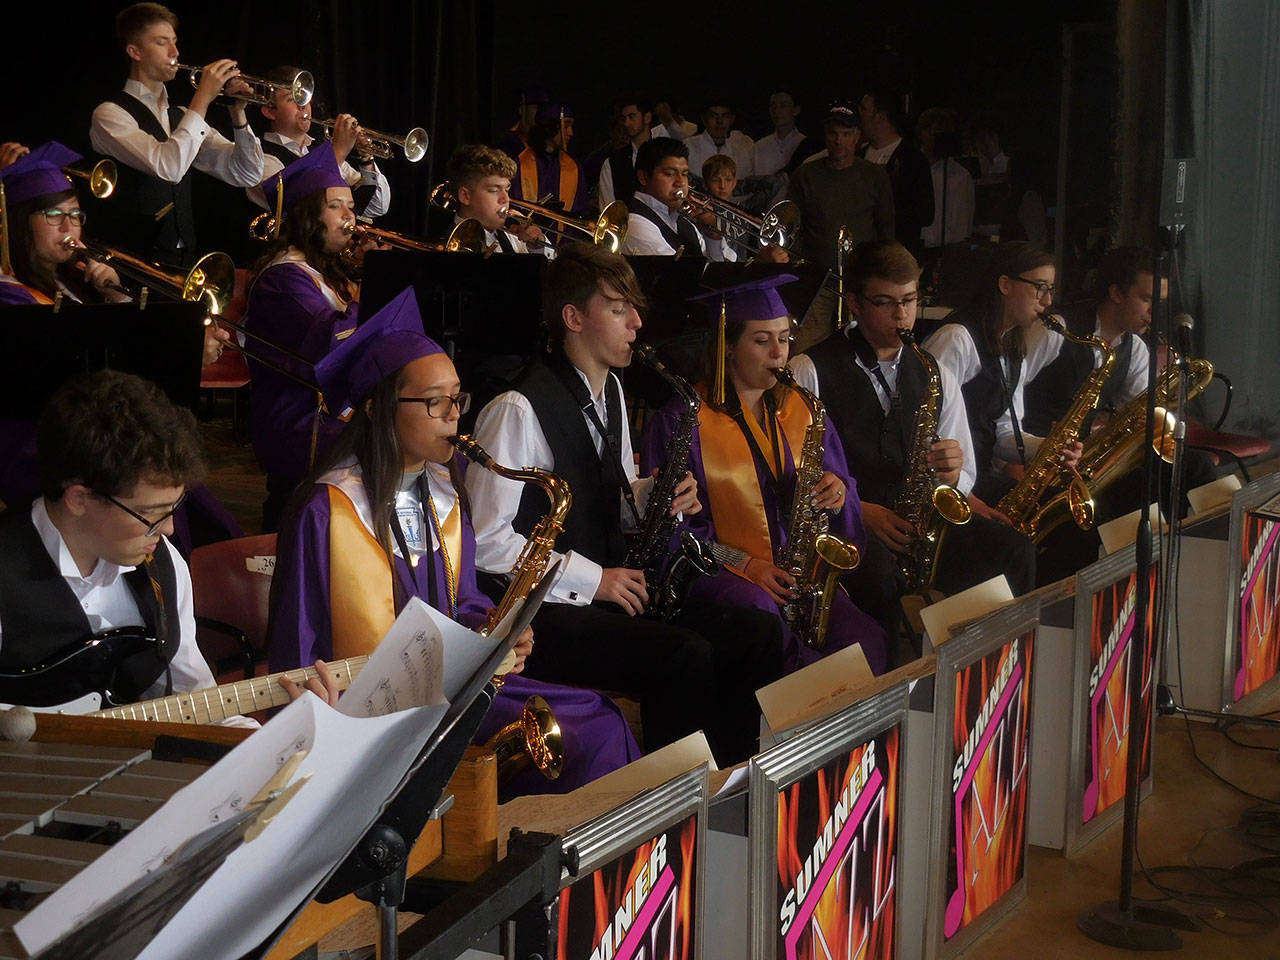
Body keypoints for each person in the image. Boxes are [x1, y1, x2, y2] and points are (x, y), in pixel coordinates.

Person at [268, 288, 638, 794]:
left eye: (457, 398)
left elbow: (464, 602)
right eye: (434, 401)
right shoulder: (327, 509)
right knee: (591, 733)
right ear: (377, 408)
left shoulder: (444, 492)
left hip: (451, 687)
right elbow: (300, 640)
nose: (453, 415)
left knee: (598, 717)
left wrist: (499, 634)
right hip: (368, 710)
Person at [467, 243, 784, 765]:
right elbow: (484, 542)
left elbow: (613, 498)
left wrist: (658, 495)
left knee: (757, 631)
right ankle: (672, 796)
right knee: (683, 655)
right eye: (618, 309)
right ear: (573, 318)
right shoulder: (515, 409)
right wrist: (594, 579)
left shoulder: (612, 388)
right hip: (539, 617)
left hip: (607, 589)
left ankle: (735, 776)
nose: (637, 322)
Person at [0, 370, 332, 720]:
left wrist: (278, 736)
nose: (170, 529)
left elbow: (195, 698)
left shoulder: (162, 563)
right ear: (79, 499)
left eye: (174, 508)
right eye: (149, 513)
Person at [640, 275, 888, 674]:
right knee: (767, 626)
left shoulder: (804, 411)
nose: (779, 353)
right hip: (720, 574)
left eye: (785, 339)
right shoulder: (683, 421)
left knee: (867, 640)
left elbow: (841, 485)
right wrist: (745, 564)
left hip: (799, 572)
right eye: (762, 340)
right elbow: (672, 531)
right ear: (728, 347)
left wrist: (838, 492)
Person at [789, 241, 1035, 640]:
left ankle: (993, 663)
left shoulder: (934, 371)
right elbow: (795, 471)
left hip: (919, 526)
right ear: (855, 303)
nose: (902, 315)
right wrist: (858, 510)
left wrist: (953, 473)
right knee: (879, 577)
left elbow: (965, 475)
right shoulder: (809, 370)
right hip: (846, 523)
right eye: (885, 302)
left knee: (1012, 549)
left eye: (909, 300)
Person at [1021, 245, 1217, 518]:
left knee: (1195, 466)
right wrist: (1016, 459)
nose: (1155, 312)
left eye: (1160, 302)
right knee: (1129, 506)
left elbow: (1139, 415)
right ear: (1116, 293)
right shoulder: (1056, 329)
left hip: (1080, 462)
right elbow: (1007, 395)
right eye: (1147, 299)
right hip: (1032, 462)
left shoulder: (1134, 347)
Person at [0, 141, 230, 367]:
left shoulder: (73, 278)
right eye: (54, 214)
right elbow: (92, 357)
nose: (68, 226)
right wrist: (187, 350)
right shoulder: (12, 294)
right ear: (21, 224)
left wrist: (116, 296)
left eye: (75, 215)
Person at [89, 2, 264, 267]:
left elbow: (247, 174)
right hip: (131, 261)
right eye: (162, 43)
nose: (175, 52)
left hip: (184, 259)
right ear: (135, 52)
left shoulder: (181, 116)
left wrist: (237, 113)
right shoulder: (110, 115)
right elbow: (169, 167)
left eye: (174, 42)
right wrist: (203, 97)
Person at [243, 146, 360, 532]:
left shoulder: (325, 271)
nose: (350, 217)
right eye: (336, 206)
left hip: (327, 409)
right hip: (297, 418)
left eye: (351, 207)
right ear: (308, 215)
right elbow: (330, 342)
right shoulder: (284, 278)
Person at [922, 242, 1083, 509]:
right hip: (946, 486)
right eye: (1040, 287)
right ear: (1005, 284)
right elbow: (926, 433)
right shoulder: (956, 339)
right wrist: (966, 497)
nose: (1047, 301)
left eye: (1050, 290)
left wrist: (1051, 447)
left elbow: (1006, 435)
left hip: (976, 479)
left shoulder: (1012, 347)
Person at [787, 102, 895, 350]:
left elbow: (886, 230)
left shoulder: (875, 176)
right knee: (805, 350)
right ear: (825, 136)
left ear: (857, 137)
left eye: (846, 134)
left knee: (862, 350)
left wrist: (882, 276)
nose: (839, 141)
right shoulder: (806, 175)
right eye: (833, 134)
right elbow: (792, 227)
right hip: (817, 282)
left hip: (861, 282)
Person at [247, 65, 390, 218]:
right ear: (270, 112)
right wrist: (339, 151)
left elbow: (376, 207)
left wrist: (366, 159)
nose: (302, 105)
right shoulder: (258, 157)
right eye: (292, 99)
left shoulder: (322, 149)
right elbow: (300, 202)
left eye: (304, 96)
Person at [621, 137, 736, 261]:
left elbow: (723, 266)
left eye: (684, 174)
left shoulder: (683, 221)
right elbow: (677, 271)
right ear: (643, 177)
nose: (681, 182)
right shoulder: (635, 223)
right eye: (670, 174)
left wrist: (713, 236)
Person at [858, 91, 934, 258]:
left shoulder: (912, 159)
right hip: (862, 253)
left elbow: (925, 214)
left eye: (863, 109)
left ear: (879, 116)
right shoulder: (858, 155)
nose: (859, 114)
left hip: (896, 255)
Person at [444, 144, 548, 255]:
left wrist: (537, 246)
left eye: (507, 190)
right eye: (494, 190)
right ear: (465, 196)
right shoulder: (446, 246)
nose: (506, 199)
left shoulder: (514, 237)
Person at [509, 103, 589, 217]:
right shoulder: (520, 163)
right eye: (565, 127)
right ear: (550, 128)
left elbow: (581, 210)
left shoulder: (573, 167)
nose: (571, 133)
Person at [917, 107, 975, 251]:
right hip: (913, 248)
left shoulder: (960, 176)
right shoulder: (911, 168)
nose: (934, 139)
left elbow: (962, 227)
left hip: (946, 251)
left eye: (940, 134)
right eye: (931, 132)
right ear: (921, 134)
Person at [597, 93, 669, 207]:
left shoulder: (667, 155)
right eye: (624, 118)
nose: (626, 123)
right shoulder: (613, 162)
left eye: (632, 116)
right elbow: (608, 207)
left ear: (647, 117)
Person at [684, 95, 755, 185]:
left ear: (732, 119)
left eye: (725, 116)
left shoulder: (740, 153)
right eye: (713, 116)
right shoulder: (688, 147)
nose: (719, 121)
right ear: (704, 119)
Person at [754, 88, 808, 177]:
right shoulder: (760, 147)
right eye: (773, 106)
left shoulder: (804, 145)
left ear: (795, 110)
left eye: (783, 106)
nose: (776, 111)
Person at [497, 85, 550, 160]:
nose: (542, 112)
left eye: (545, 108)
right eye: (537, 107)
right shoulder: (508, 146)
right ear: (521, 109)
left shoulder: (547, 144)